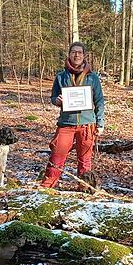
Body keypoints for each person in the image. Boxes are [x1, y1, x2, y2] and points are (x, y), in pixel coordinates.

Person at [40, 42, 105, 189]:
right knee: (57, 156)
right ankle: (47, 187)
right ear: (69, 54)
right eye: (74, 52)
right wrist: (56, 101)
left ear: (84, 56)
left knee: (84, 160)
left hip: (87, 124)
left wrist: (100, 123)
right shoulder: (61, 77)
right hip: (66, 123)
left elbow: (99, 101)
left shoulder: (92, 78)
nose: (76, 55)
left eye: (79, 52)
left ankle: (84, 188)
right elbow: (53, 97)